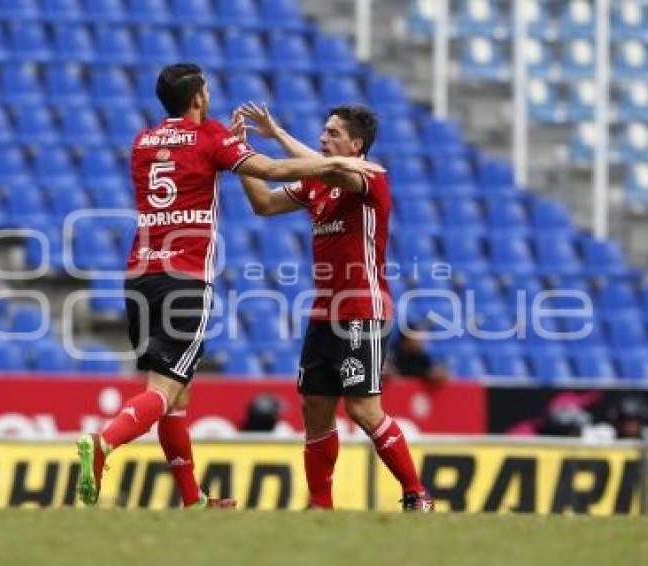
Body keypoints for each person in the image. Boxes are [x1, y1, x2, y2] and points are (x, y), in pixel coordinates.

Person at [75, 63, 384, 509]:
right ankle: (102, 443)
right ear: (199, 98)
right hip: (184, 278)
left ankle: (191, 500)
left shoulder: (142, 142)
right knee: (162, 390)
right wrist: (336, 161)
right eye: (207, 90)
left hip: (139, 276)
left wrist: (234, 145)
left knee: (178, 392)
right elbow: (272, 171)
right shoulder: (210, 135)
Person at [234, 102, 434, 512]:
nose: (323, 138)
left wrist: (277, 136)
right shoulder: (317, 182)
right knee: (315, 408)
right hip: (324, 311)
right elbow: (264, 204)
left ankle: (417, 495)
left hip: (362, 307)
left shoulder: (369, 176)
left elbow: (330, 169)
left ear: (356, 144)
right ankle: (320, 508)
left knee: (362, 409)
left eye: (332, 134)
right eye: (323, 132)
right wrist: (239, 155)